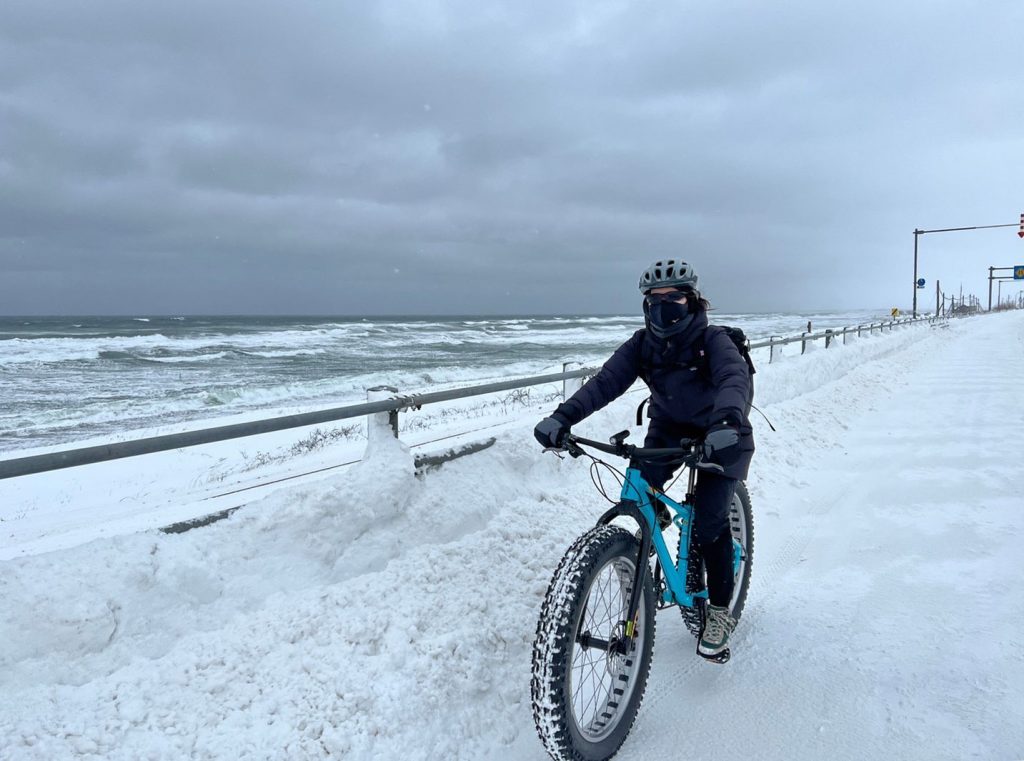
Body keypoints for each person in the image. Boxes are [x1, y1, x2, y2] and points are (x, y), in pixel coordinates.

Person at [533, 259, 754, 659]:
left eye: (674, 299)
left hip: (723, 432)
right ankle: (653, 518)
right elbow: (605, 383)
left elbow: (732, 380)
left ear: (692, 301)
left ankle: (720, 611)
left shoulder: (714, 340)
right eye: (654, 300)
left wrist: (727, 421)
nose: (663, 307)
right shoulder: (642, 345)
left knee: (709, 524)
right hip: (669, 429)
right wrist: (562, 418)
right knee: (635, 493)